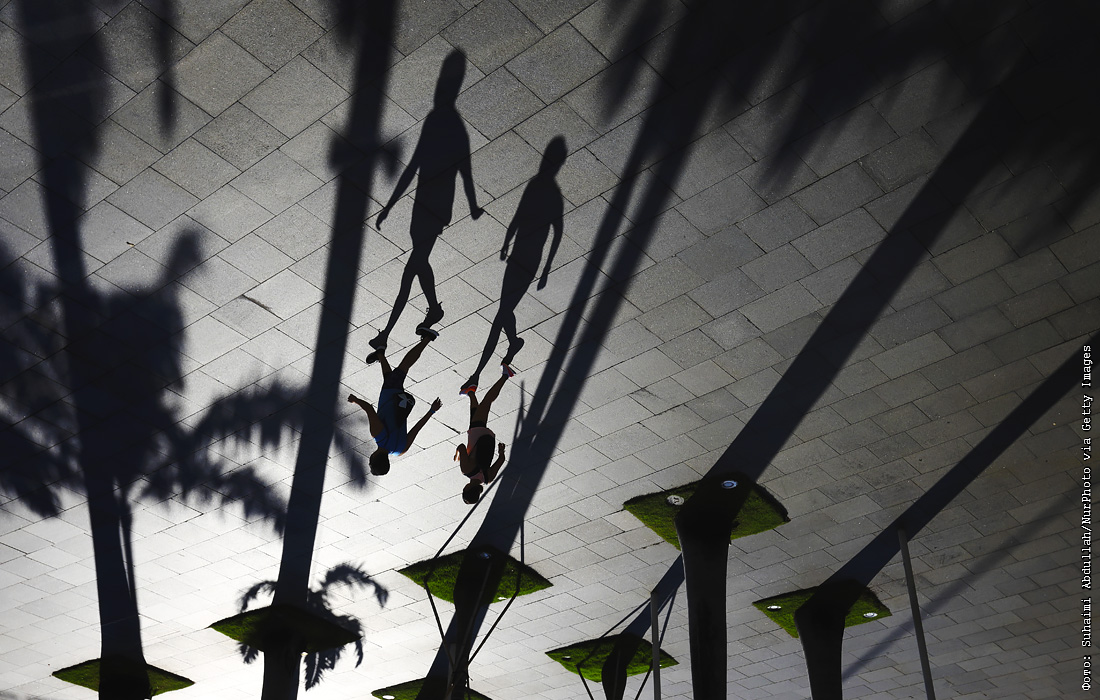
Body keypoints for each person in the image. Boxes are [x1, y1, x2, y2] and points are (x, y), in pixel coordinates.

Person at [370, 50, 482, 350]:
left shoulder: (448, 124)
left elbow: (463, 168)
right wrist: (390, 205)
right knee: (420, 264)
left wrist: (472, 205)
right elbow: (416, 165)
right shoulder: (439, 121)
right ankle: (433, 309)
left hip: (434, 209)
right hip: (424, 206)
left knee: (411, 271)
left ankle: (386, 335)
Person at [348, 330, 442, 476]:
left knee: (390, 376)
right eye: (370, 463)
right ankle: (428, 338)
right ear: (373, 459)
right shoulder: (378, 436)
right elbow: (369, 409)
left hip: (401, 400)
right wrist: (355, 400)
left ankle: (380, 353)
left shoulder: (400, 450)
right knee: (404, 366)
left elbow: (416, 429)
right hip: (391, 394)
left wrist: (432, 411)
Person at [454, 365, 514, 504]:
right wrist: (457, 455)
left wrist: (501, 451)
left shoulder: (488, 478)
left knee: (475, 412)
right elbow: (462, 447)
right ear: (467, 488)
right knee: (487, 402)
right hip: (477, 432)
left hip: (487, 437)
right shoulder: (466, 470)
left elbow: (501, 460)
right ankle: (505, 375)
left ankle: (470, 392)